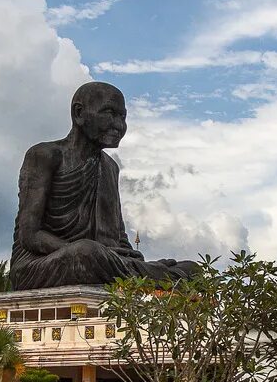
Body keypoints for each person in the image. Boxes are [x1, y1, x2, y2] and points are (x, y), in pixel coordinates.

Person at [10, 81, 198, 290]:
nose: (118, 125)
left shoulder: (110, 167)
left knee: (193, 269)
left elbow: (118, 237)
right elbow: (30, 236)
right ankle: (157, 277)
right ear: (79, 113)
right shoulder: (45, 155)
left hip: (103, 262)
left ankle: (151, 275)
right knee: (86, 252)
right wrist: (82, 250)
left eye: (122, 117)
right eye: (109, 113)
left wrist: (130, 256)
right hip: (41, 264)